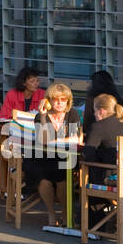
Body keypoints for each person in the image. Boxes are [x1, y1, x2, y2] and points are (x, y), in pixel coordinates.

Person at [23, 83, 82, 227]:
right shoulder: (39, 116)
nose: (60, 103)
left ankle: (65, 214)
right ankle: (51, 214)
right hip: (41, 157)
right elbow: (43, 141)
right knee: (44, 180)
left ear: (68, 101)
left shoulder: (72, 113)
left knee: (62, 179)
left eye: (64, 99)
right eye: (56, 99)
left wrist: (56, 140)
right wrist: (43, 117)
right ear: (49, 101)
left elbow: (78, 138)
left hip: (64, 156)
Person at [82, 94, 123, 187]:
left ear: (101, 111)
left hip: (115, 181)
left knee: (88, 166)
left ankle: (96, 200)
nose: (94, 114)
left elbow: (88, 154)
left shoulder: (98, 127)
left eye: (95, 111)